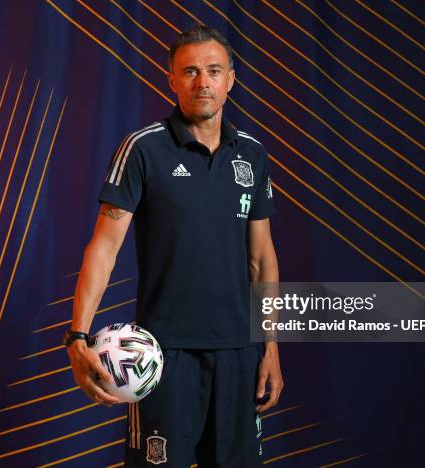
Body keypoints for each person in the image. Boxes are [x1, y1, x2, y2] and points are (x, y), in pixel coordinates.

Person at [65, 25, 283, 467]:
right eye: (190, 71)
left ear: (230, 79)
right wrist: (77, 335)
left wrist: (271, 344)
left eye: (213, 71)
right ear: (172, 80)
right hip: (162, 356)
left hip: (239, 353)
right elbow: (104, 247)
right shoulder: (144, 149)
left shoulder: (253, 155)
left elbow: (261, 259)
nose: (202, 82)